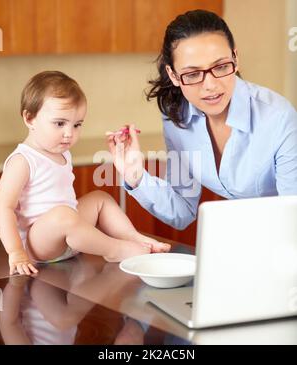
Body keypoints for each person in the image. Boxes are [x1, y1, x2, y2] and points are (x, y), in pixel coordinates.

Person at [107, 9, 297, 230]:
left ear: (236, 58)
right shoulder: (176, 115)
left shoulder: (279, 118)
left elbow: (292, 217)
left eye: (221, 66)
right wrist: (137, 177)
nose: (210, 85)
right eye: (192, 74)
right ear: (173, 75)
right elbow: (181, 210)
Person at [0, 71, 170, 276]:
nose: (69, 133)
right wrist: (16, 252)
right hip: (41, 245)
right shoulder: (22, 161)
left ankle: (132, 237)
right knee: (64, 214)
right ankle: (115, 250)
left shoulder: (62, 153)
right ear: (30, 118)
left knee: (100, 198)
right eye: (60, 123)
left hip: (68, 231)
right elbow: (3, 208)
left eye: (77, 124)